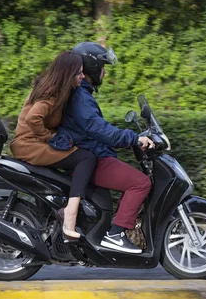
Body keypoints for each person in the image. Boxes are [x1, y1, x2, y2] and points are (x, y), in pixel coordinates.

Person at [53, 42, 154, 254]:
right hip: (92, 157)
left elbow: (94, 129)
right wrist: (133, 138)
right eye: (102, 67)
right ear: (92, 67)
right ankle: (116, 235)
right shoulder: (81, 96)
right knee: (141, 183)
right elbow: (97, 128)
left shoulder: (82, 94)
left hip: (90, 153)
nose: (105, 72)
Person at [10, 51, 97, 242]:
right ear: (67, 75)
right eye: (79, 73)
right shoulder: (51, 93)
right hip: (29, 145)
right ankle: (70, 215)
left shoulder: (56, 89)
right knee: (86, 158)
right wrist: (49, 136)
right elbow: (34, 118)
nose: (82, 77)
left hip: (32, 144)